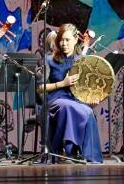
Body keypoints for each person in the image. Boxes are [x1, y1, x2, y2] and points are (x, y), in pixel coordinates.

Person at [36, 23, 103, 163]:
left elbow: (85, 88)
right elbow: (39, 88)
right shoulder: (49, 60)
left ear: (75, 40)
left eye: (67, 40)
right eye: (61, 40)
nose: (64, 43)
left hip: (75, 100)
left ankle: (89, 156)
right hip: (55, 100)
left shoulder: (80, 60)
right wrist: (62, 84)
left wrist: (91, 99)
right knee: (67, 107)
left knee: (88, 112)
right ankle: (68, 152)